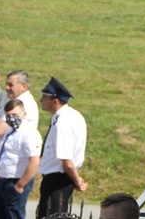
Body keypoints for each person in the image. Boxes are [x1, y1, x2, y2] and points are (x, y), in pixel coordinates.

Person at [36, 77, 87, 219]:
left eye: (44, 97)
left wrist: (77, 181)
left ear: (55, 100)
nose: (41, 100)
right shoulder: (71, 116)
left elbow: (67, 161)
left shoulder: (62, 122)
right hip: (59, 177)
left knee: (52, 216)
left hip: (57, 181)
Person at [0, 99, 43, 219]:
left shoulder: (29, 133)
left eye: (15, 115)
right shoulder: (10, 131)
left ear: (24, 115)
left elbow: (34, 161)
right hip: (3, 180)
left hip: (16, 181)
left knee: (14, 214)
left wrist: (20, 185)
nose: (11, 118)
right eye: (8, 115)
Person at [0, 71, 40, 137]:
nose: (7, 88)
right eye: (6, 84)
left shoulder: (25, 104)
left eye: (11, 85)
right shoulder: (12, 101)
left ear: (24, 86)